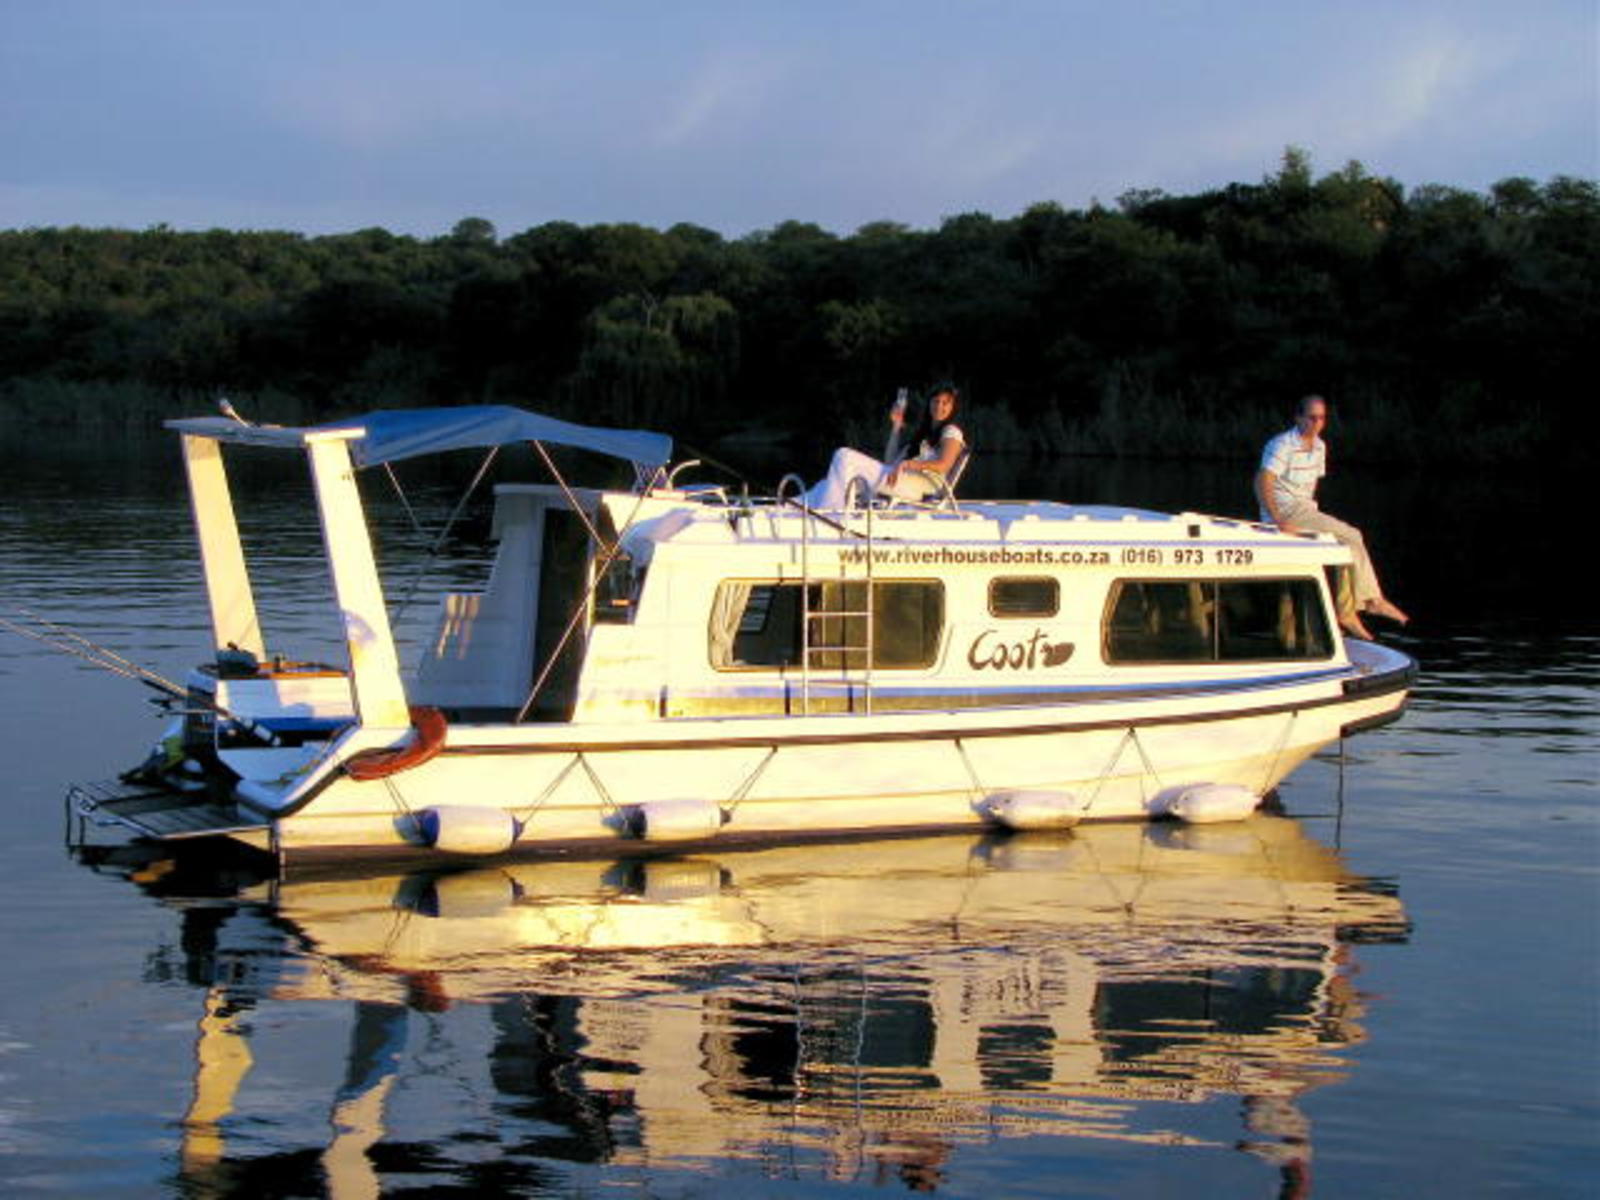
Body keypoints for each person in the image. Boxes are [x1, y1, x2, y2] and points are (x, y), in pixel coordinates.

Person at [1255, 394, 1408, 639]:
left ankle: (1346, 611)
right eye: (1312, 417)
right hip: (1286, 511)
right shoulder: (1282, 444)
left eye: (1322, 418)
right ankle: (1371, 600)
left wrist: (1316, 518)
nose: (1317, 423)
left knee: (1343, 545)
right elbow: (1262, 480)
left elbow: (1310, 488)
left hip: (1306, 510)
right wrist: (1275, 518)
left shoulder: (1319, 447)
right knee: (1353, 535)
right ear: (1298, 418)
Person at [805, 385, 966, 510]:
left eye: (945, 402)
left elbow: (945, 464)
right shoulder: (924, 435)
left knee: (843, 455)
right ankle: (788, 508)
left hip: (922, 488)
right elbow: (890, 461)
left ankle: (831, 514)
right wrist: (896, 426)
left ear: (953, 407)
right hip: (901, 481)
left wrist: (910, 464)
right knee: (828, 483)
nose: (939, 406)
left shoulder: (951, 431)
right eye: (936, 401)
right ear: (929, 403)